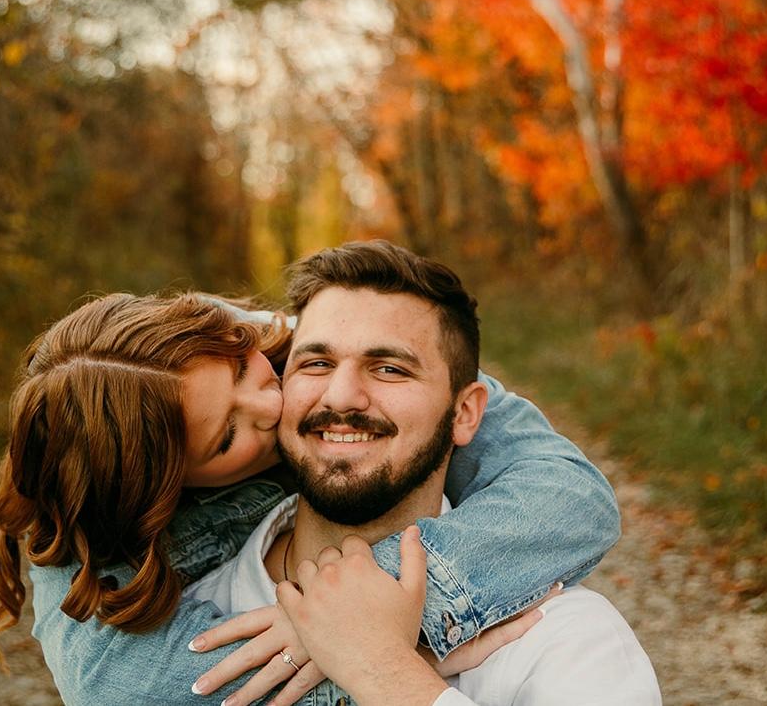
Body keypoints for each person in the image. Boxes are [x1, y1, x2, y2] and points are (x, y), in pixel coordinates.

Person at [0, 252, 621, 705]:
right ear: (173, 490)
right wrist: (361, 653)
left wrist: (358, 613)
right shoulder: (107, 560)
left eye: (244, 371)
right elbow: (122, 688)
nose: (273, 403)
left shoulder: (280, 343)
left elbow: (571, 499)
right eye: (226, 437)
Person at [187, 240, 660, 706]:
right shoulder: (192, 617)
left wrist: (387, 671)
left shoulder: (565, 640)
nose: (341, 396)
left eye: (389, 369)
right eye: (317, 363)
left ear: (465, 413)